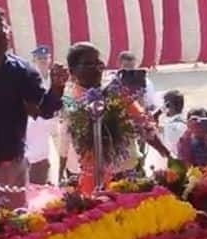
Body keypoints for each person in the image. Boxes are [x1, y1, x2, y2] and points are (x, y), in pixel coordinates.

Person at [59, 43, 170, 191]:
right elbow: (64, 142)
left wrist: (166, 153)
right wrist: (60, 172)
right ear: (72, 71)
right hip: (89, 181)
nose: (97, 67)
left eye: (98, 62)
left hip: (127, 177)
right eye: (88, 63)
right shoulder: (69, 101)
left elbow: (143, 124)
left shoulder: (117, 92)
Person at [0, 8, 65, 206]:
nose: (4, 32)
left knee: (15, 224)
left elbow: (45, 110)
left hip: (11, 164)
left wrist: (57, 88)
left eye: (4, 26)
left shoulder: (22, 71)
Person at [26, 45, 56, 185]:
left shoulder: (54, 76)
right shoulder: (31, 76)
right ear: (34, 60)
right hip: (36, 121)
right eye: (40, 58)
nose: (43, 61)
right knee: (39, 153)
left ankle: (50, 178)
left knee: (56, 150)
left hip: (55, 121)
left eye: (45, 58)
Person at [146, 90, 187, 173]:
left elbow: (155, 138)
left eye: (164, 103)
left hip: (174, 167)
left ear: (167, 105)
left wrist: (158, 113)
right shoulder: (181, 123)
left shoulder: (173, 127)